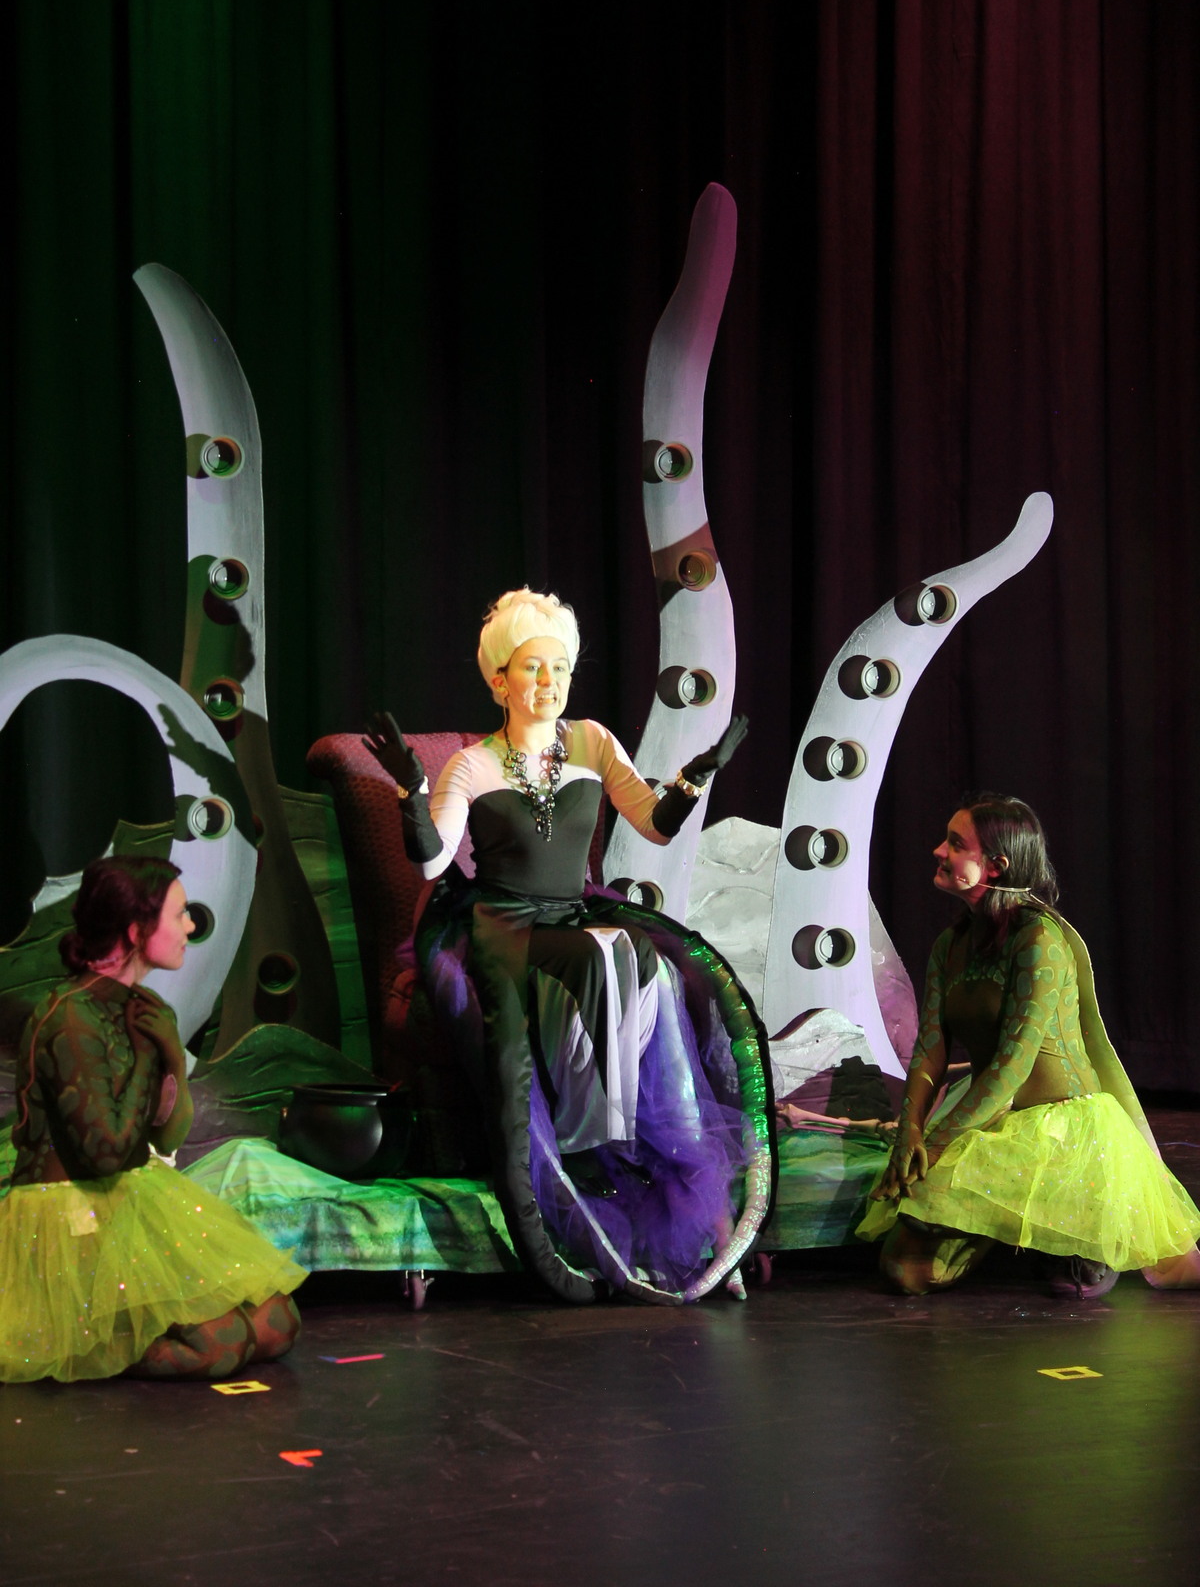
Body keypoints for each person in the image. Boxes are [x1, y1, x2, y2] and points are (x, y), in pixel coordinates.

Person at [364, 587, 773, 1304]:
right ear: (499, 681)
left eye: (560, 668)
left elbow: (652, 822)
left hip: (576, 917)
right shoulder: (473, 766)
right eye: (532, 669)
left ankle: (619, 1129)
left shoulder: (591, 742)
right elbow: (432, 862)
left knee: (644, 956)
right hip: (502, 925)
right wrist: (409, 791)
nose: (548, 683)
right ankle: (594, 1137)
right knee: (601, 952)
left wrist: (697, 776)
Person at [858, 793, 1200, 1297]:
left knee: (1074, 1285)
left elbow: (1011, 1069)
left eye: (956, 845)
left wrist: (932, 1143)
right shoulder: (949, 947)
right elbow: (930, 1049)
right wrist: (909, 1130)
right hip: (995, 1119)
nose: (937, 851)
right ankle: (1013, 1234)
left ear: (996, 866)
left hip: (1067, 1131)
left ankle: (1067, 1239)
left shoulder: (1038, 941)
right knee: (905, 1270)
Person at [0, 856, 306, 1382]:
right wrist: (154, 1053)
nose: (191, 926)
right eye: (180, 914)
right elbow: (105, 1154)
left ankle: (134, 1330)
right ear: (138, 930)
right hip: (70, 1219)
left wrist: (171, 1062)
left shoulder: (142, 1006)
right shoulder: (71, 1017)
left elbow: (168, 1134)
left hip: (128, 1195)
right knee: (221, 1344)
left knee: (278, 1323)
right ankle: (99, 1341)